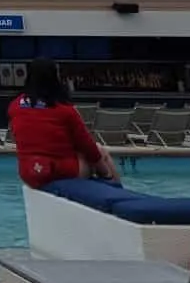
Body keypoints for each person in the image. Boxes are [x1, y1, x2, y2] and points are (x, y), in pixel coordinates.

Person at [8, 59, 117, 188]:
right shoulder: (63, 109)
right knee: (100, 151)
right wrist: (106, 173)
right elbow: (87, 145)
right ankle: (116, 188)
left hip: (29, 172)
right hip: (58, 171)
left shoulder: (14, 106)